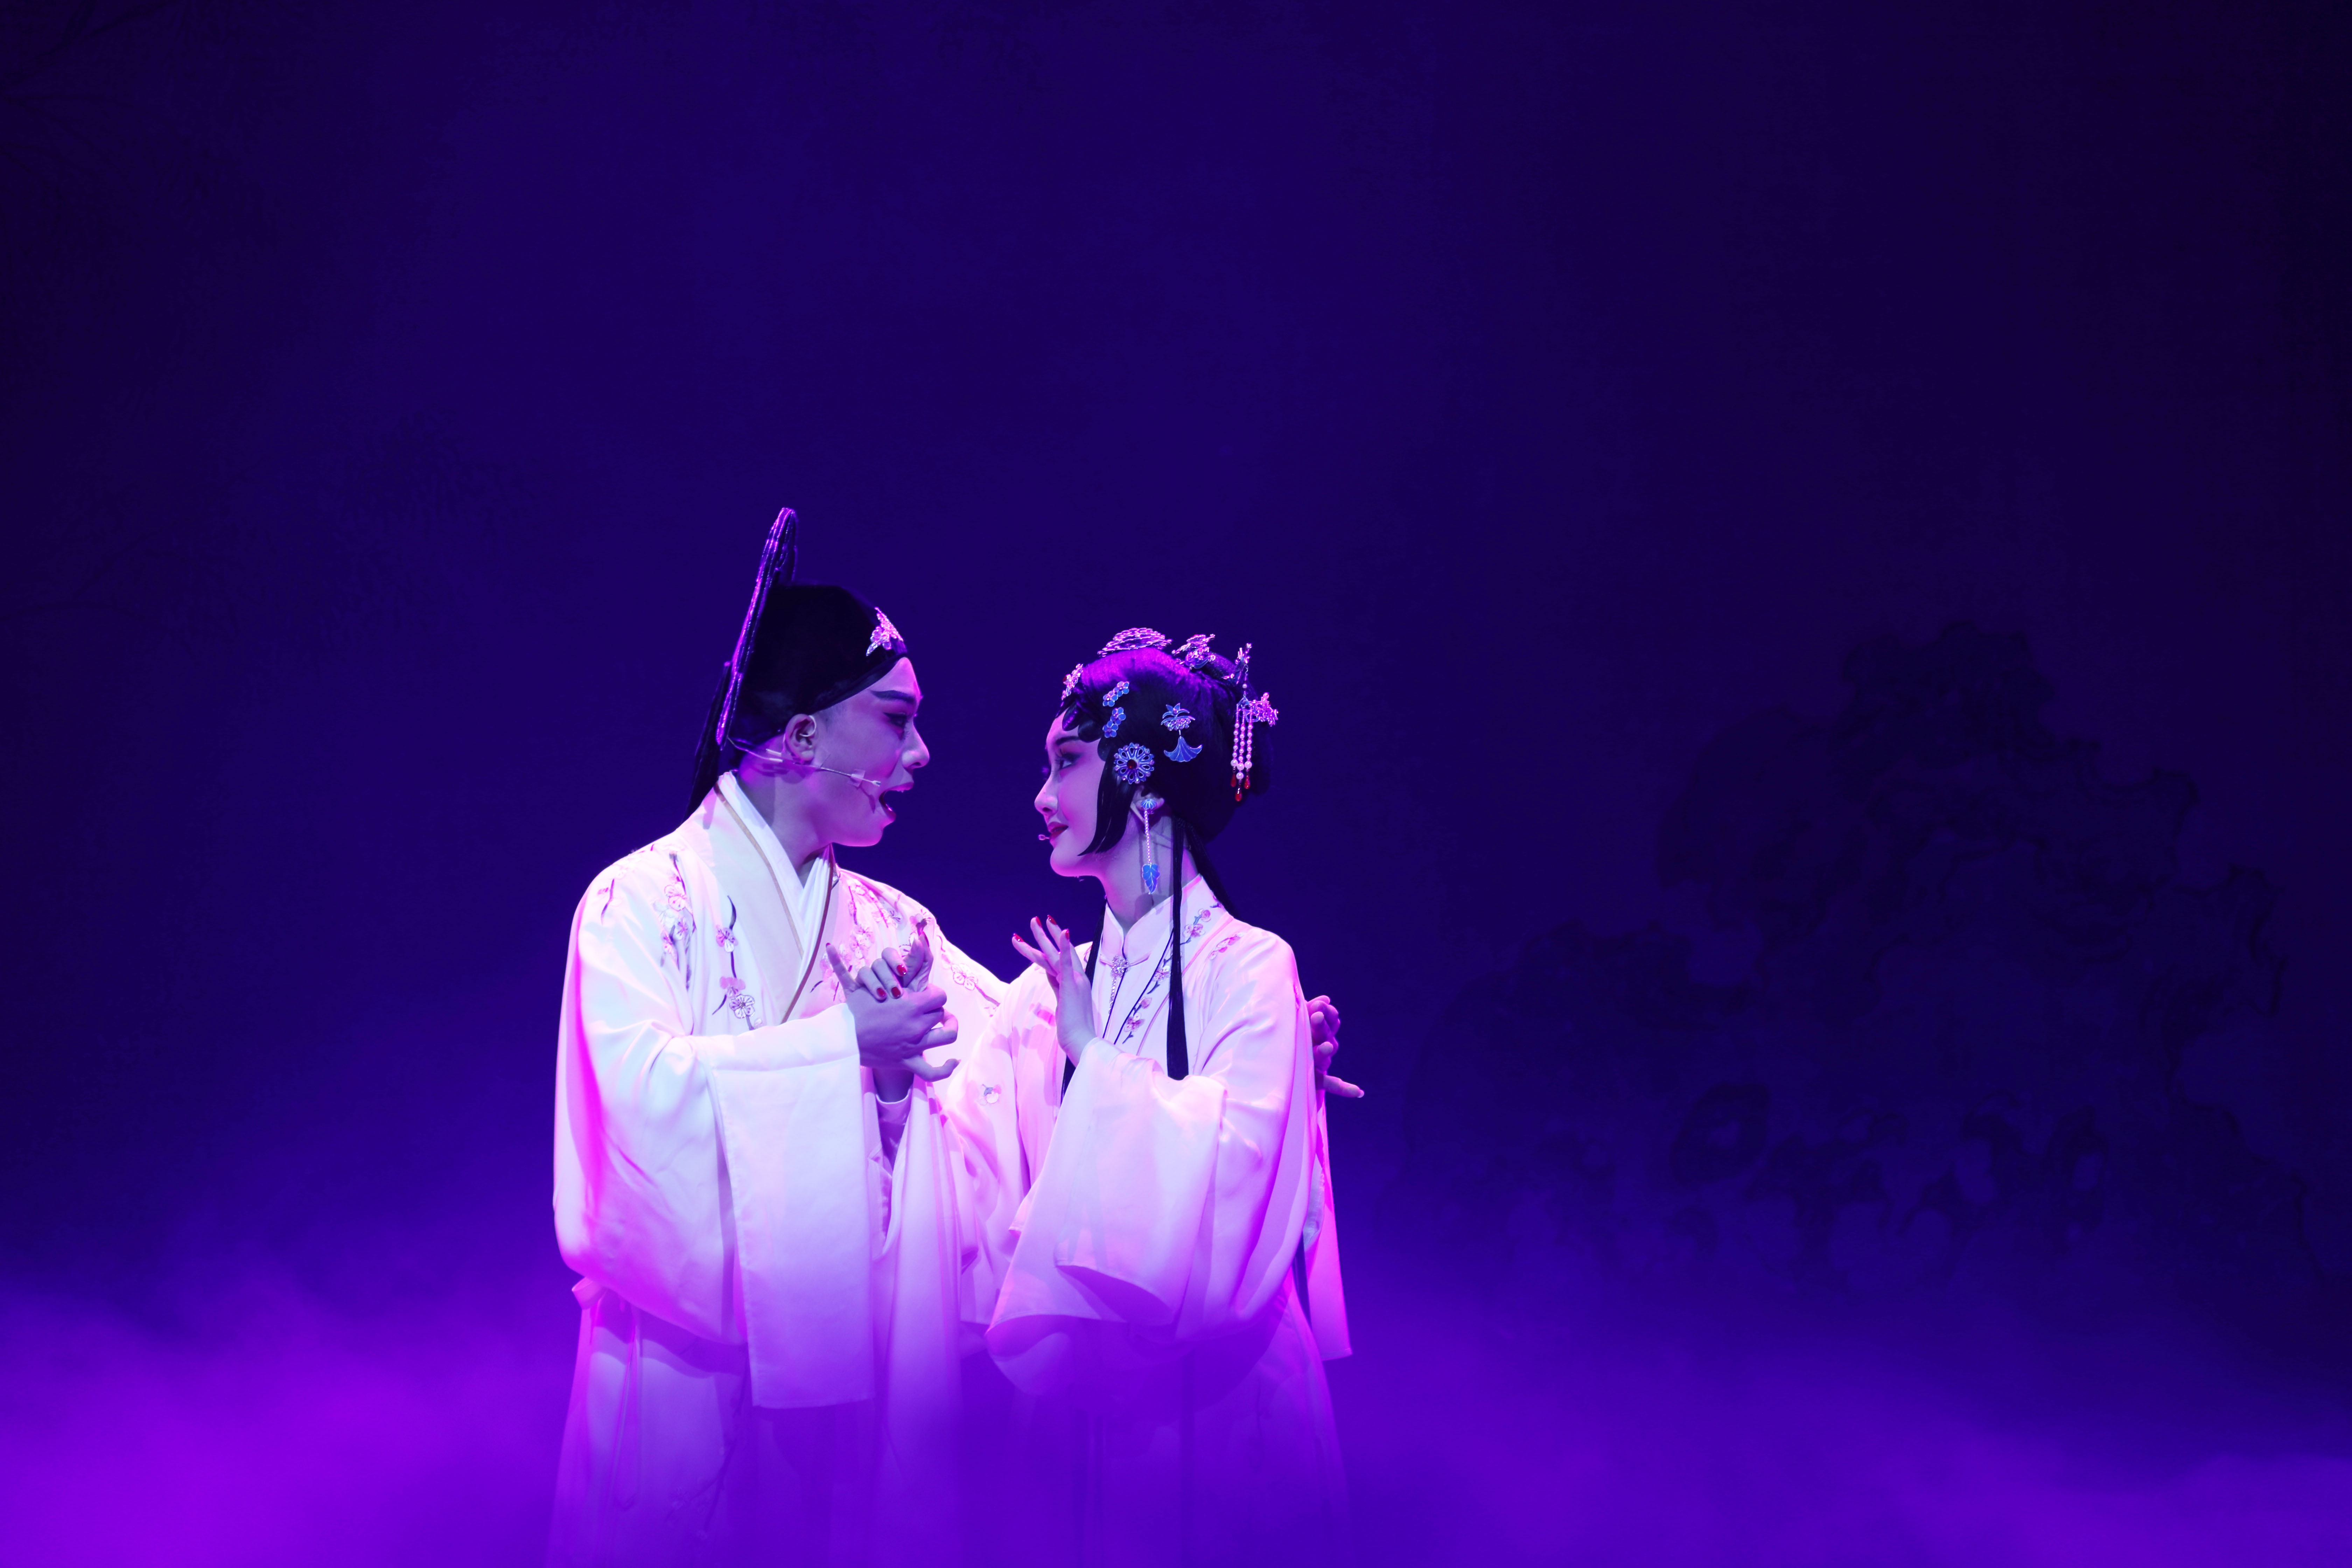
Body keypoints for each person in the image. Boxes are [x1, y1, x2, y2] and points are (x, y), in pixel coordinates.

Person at [547, 510, 1013, 1567]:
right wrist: (841, 1053)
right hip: (675, 1377)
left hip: (849, 1392)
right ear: (803, 739)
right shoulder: (638, 903)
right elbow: (634, 1128)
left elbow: (1018, 1073)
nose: (920, 754)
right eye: (895, 720)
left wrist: (1210, 1053)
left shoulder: (896, 930)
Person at [955, 627, 1350, 1568]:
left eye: (1067, 762)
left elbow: (1235, 1186)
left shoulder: (1252, 969)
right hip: (1075, 1418)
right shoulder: (1041, 995)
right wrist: (889, 1091)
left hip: (1229, 1402)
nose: (1042, 796)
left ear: (1143, 783)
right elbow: (965, 1187)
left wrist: (1092, 1056)